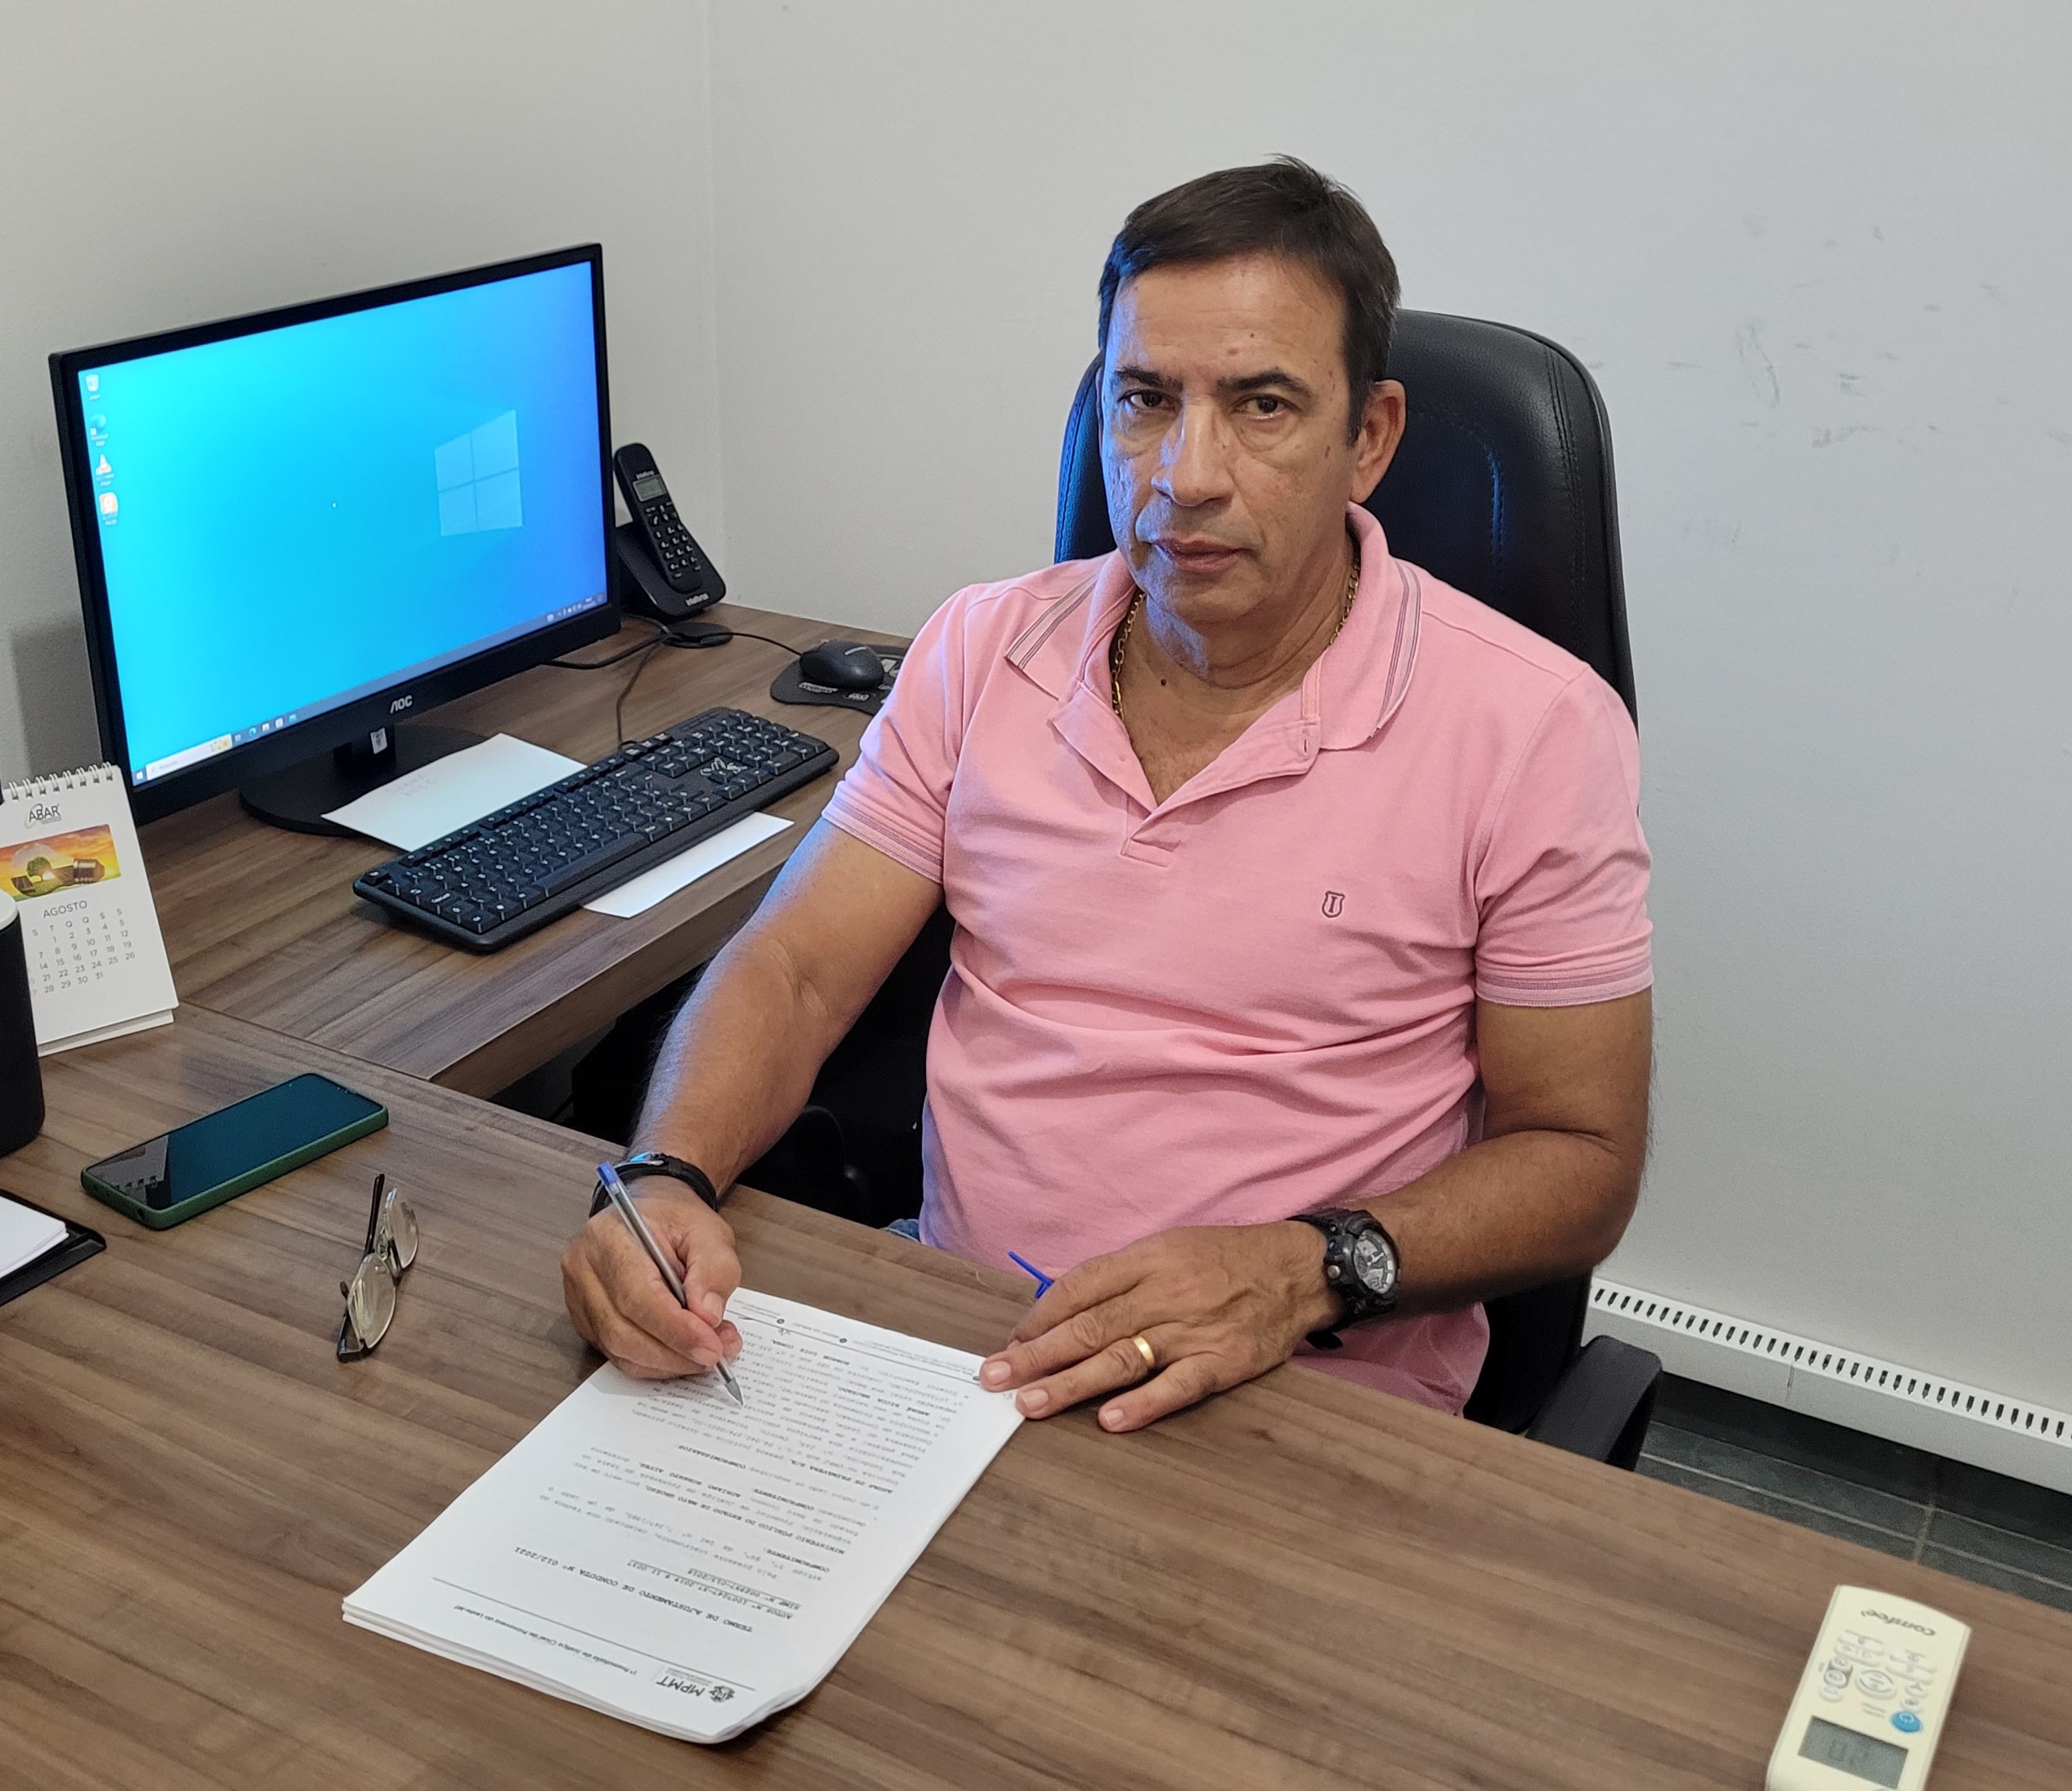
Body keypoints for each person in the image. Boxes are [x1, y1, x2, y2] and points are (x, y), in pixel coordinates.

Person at [562, 158, 1652, 1432]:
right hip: (961, 1349)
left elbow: (1579, 1158)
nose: (1185, 473)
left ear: (1367, 439)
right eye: (1144, 400)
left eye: (1260, 405)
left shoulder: (1532, 726)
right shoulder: (981, 647)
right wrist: (663, 1175)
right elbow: (795, 969)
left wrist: (1300, 1269)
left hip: (1302, 1393)